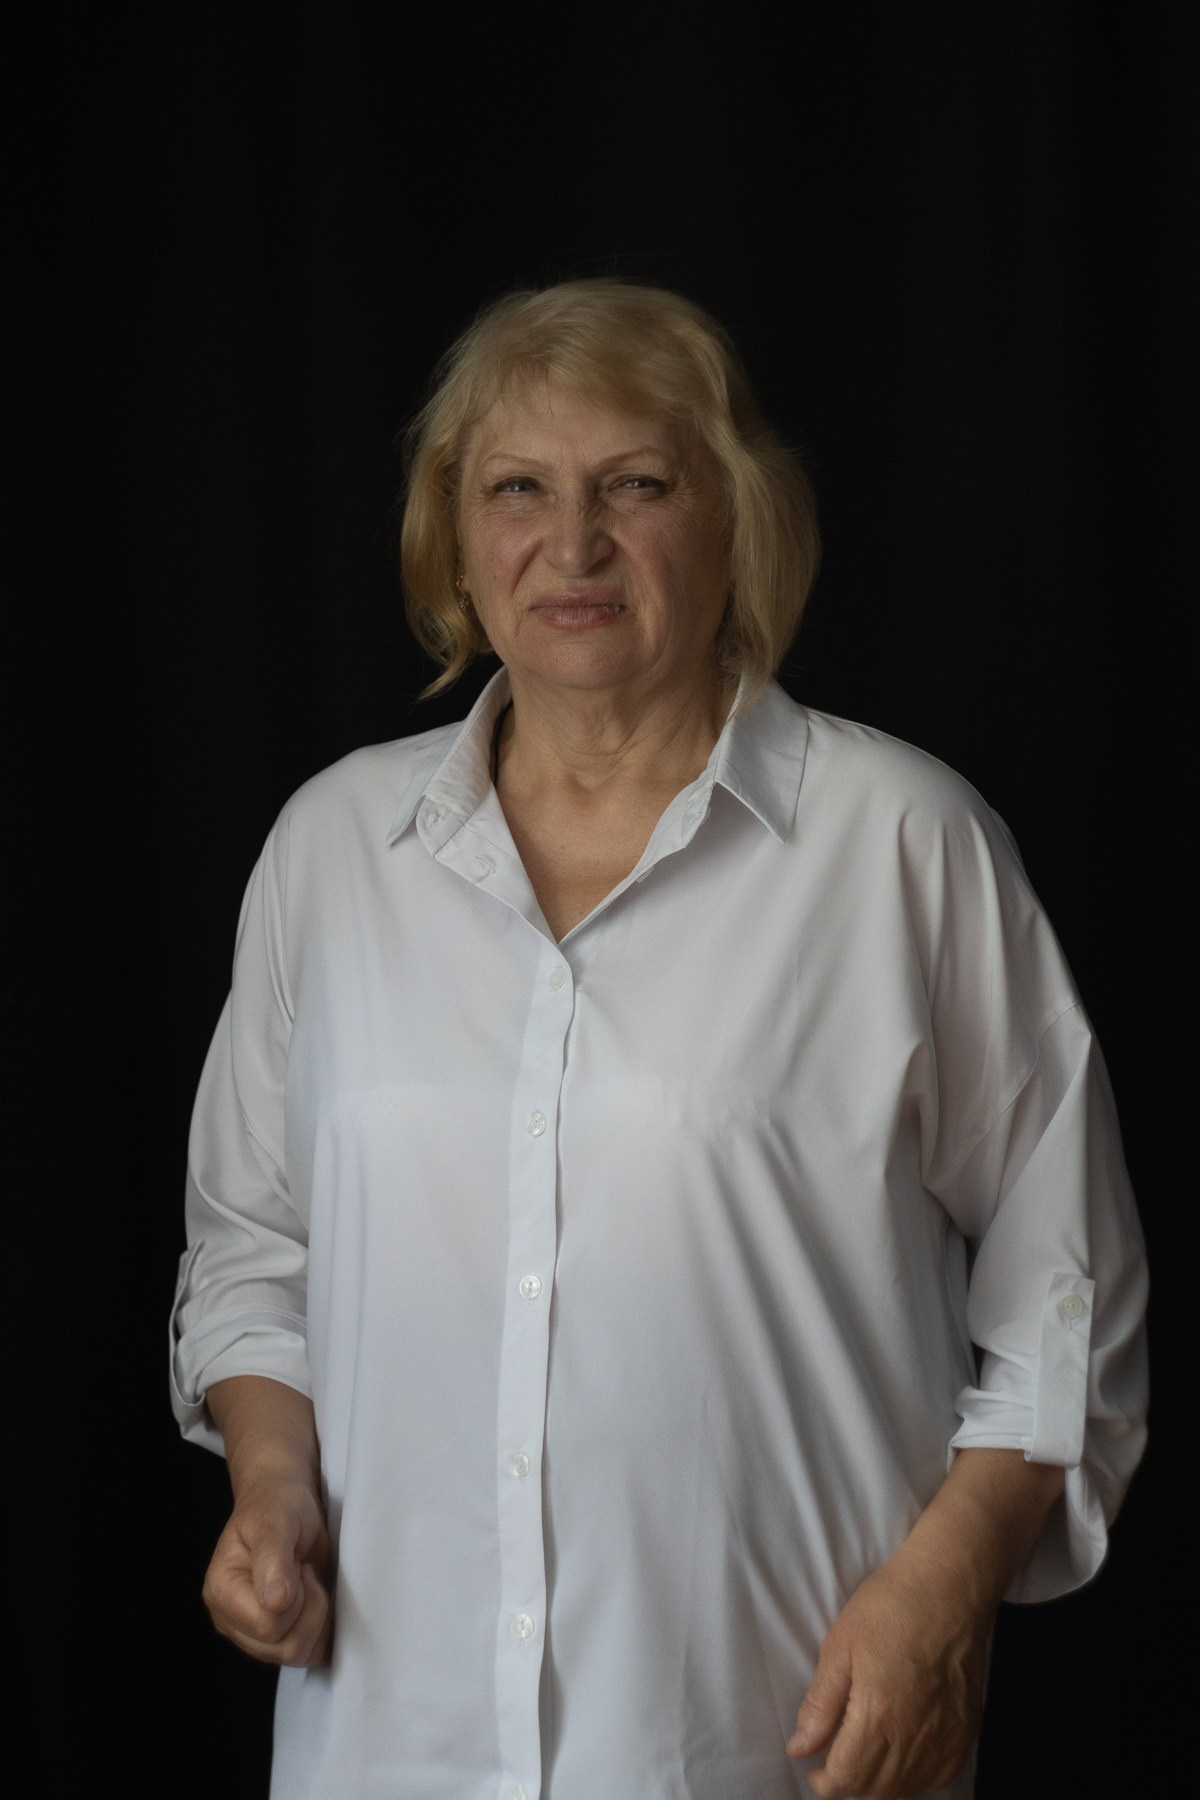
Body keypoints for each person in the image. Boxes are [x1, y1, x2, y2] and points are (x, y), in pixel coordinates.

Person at [171, 278, 1148, 1800]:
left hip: (773, 1751)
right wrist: (272, 1480)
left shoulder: (901, 847)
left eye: (635, 484)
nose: (572, 545)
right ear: (453, 535)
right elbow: (251, 1249)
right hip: (388, 1747)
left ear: (737, 518)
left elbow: (1065, 1293)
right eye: (518, 489)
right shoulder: (331, 854)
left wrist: (945, 1592)